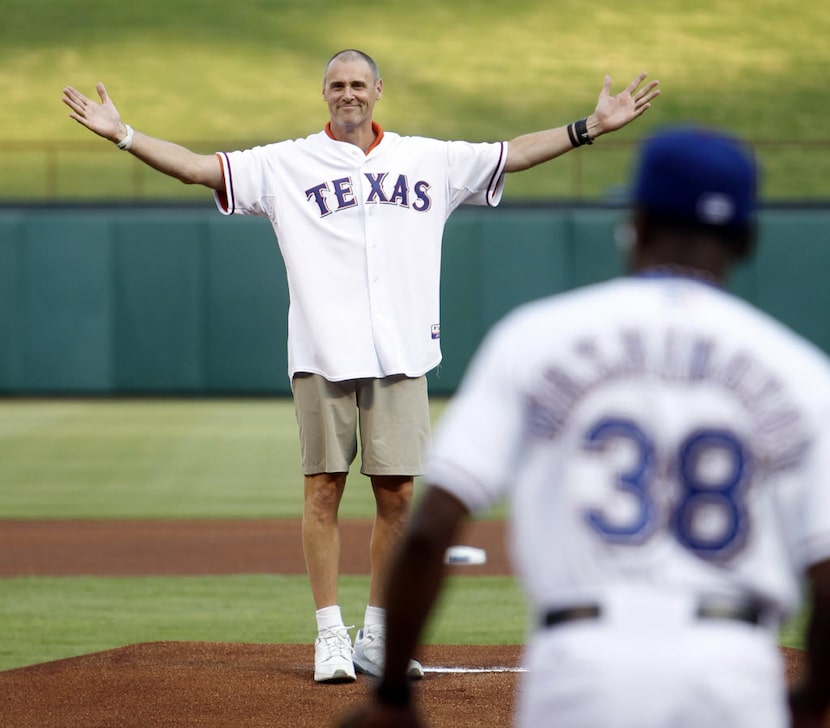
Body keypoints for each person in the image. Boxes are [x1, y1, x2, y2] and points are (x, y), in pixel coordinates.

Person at [61, 49, 660, 684]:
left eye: (358, 84)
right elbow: (197, 169)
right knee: (322, 491)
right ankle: (327, 636)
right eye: (337, 85)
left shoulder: (429, 159)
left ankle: (377, 637)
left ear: (378, 90)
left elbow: (510, 152)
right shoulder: (284, 164)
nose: (348, 94)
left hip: (401, 354)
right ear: (324, 93)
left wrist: (587, 128)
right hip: (322, 353)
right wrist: (123, 135)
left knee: (398, 496)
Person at [340, 126, 830, 728]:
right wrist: (812, 698)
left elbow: (430, 528)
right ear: (747, 240)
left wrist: (392, 696)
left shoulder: (538, 337)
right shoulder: (802, 372)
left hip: (581, 670)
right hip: (734, 669)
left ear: (638, 224)